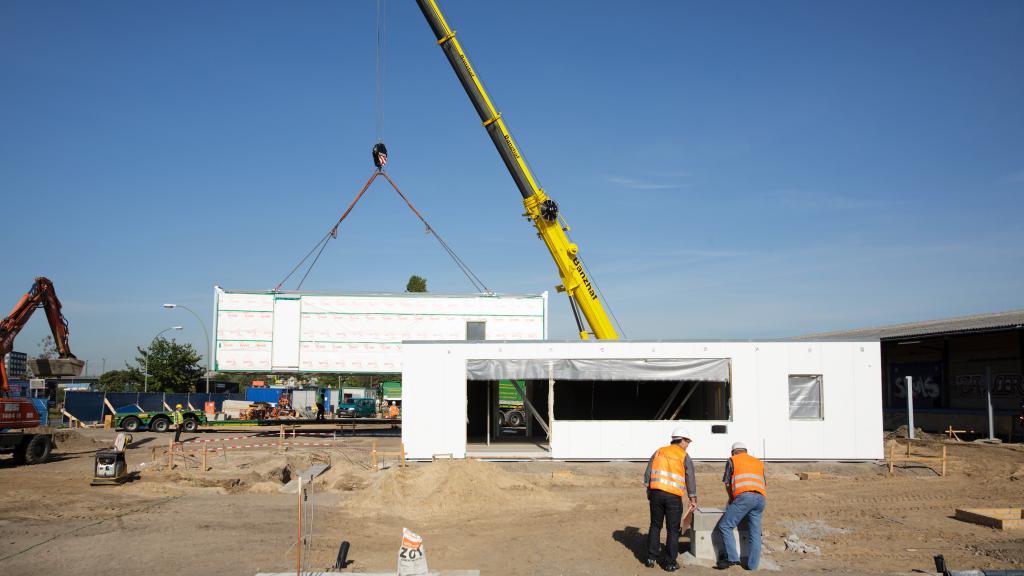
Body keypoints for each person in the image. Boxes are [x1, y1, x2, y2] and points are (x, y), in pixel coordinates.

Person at [643, 427, 697, 572]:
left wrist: (649, 492)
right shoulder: (684, 455)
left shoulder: (659, 451)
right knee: (673, 530)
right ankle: (670, 562)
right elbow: (690, 478)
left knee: (655, 525)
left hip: (656, 494)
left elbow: (647, 473)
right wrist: (693, 498)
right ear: (682, 441)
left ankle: (651, 558)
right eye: (688, 442)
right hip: (673, 497)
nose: (688, 445)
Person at [716, 442, 767, 570]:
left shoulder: (733, 460)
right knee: (755, 533)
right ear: (746, 451)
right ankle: (752, 566)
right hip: (760, 498)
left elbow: (727, 483)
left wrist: (731, 499)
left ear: (733, 452)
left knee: (725, 525)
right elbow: (763, 482)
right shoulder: (758, 462)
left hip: (744, 497)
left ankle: (733, 559)